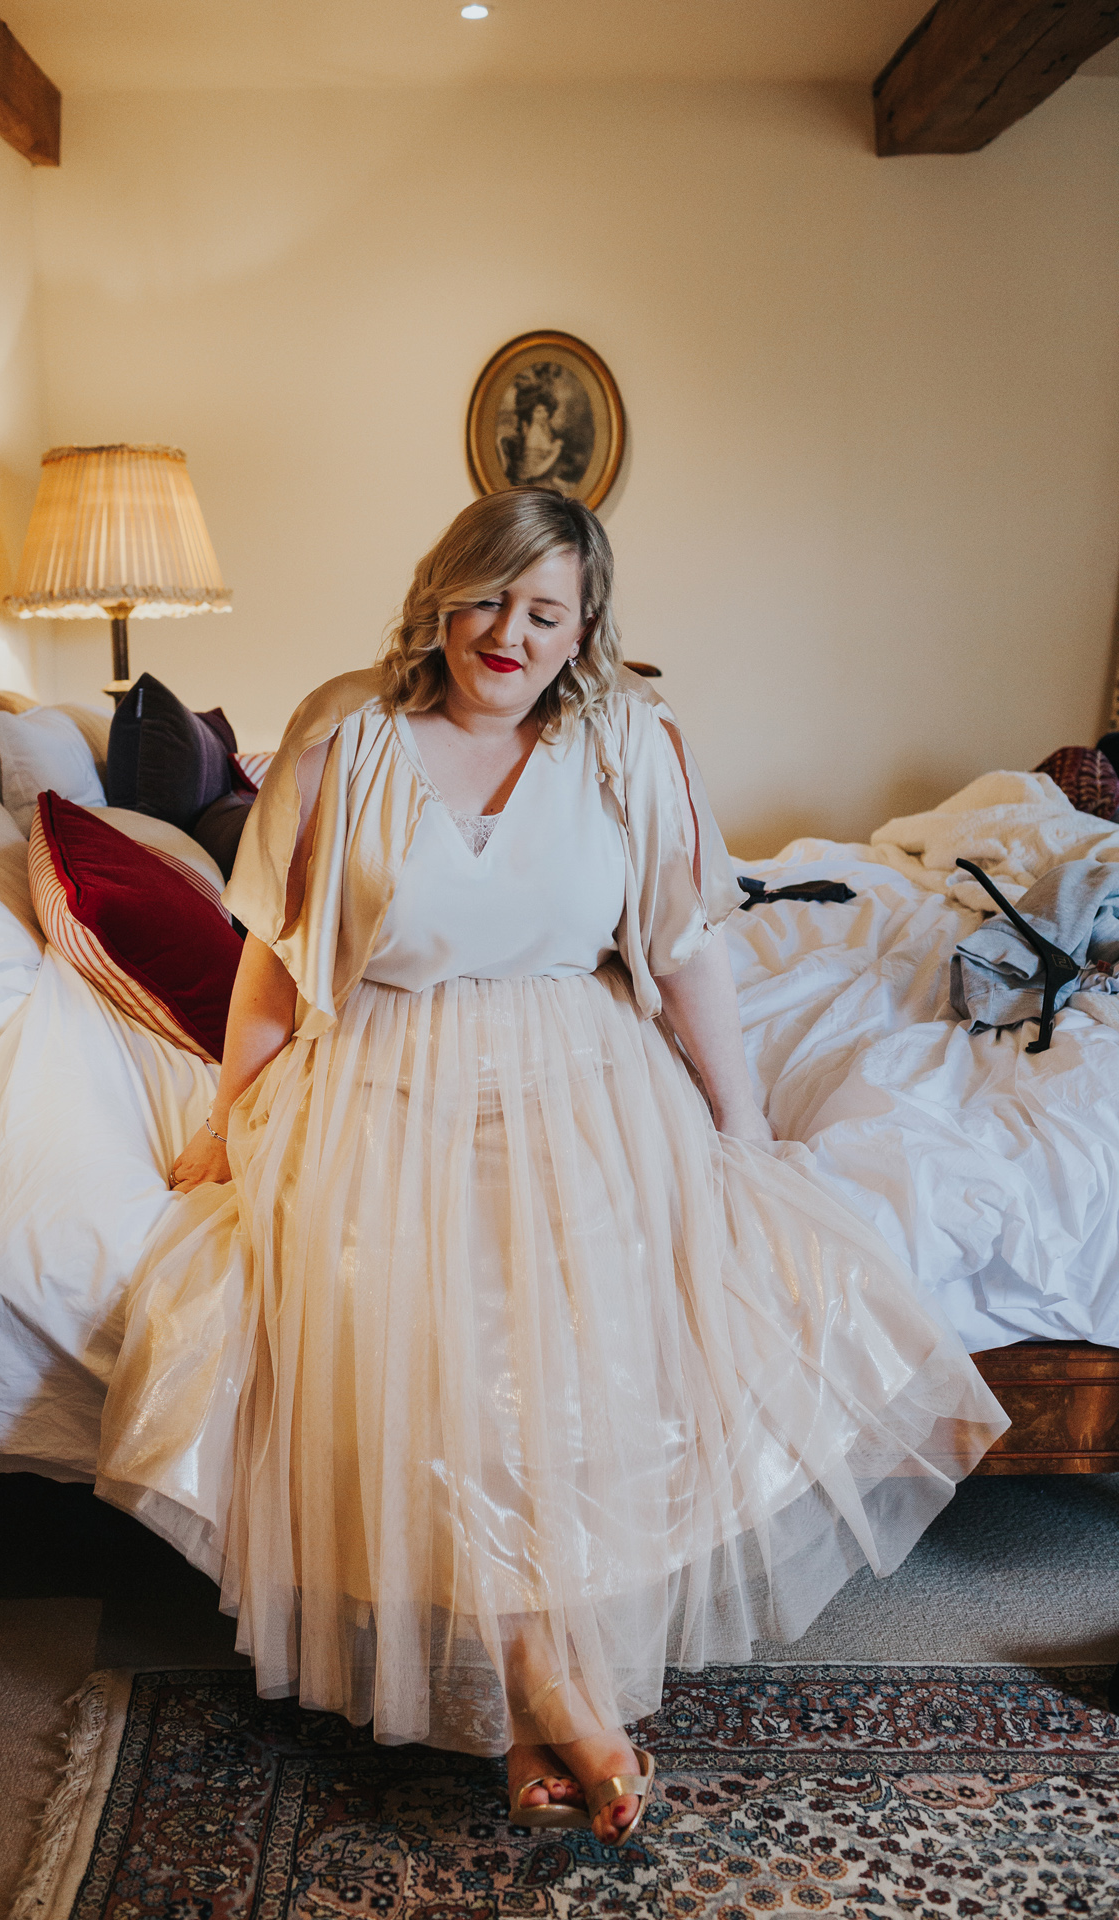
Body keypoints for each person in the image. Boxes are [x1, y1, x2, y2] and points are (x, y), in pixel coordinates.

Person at [97, 488, 1007, 1847]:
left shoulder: (632, 744)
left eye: (543, 612)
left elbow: (688, 946)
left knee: (584, 1331)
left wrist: (739, 1125)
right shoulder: (345, 736)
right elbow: (278, 960)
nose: (506, 635)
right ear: (439, 595)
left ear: (583, 628)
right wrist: (230, 1119)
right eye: (485, 600)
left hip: (581, 1070)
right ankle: (555, 1688)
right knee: (442, 1339)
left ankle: (537, 1697)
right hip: (384, 1079)